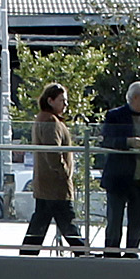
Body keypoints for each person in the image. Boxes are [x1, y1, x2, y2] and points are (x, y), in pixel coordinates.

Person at [20, 83, 88, 254]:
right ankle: (82, 251)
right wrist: (64, 173)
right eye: (62, 100)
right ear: (50, 101)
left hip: (46, 183)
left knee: (43, 219)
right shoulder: (50, 121)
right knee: (66, 220)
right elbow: (53, 153)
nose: (65, 104)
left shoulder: (42, 119)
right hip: (55, 183)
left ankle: (27, 253)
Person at [97, 79, 140, 257]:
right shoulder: (115, 116)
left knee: (138, 221)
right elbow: (106, 140)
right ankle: (111, 253)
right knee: (114, 220)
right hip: (119, 179)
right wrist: (128, 142)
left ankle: (132, 252)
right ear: (134, 98)